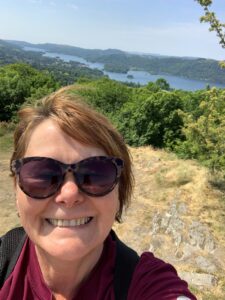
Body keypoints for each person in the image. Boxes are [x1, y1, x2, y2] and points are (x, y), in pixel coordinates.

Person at [0, 91, 197, 300]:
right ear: (16, 188)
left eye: (96, 174)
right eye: (42, 174)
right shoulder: (4, 262)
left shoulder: (148, 285)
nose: (69, 194)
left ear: (119, 192)